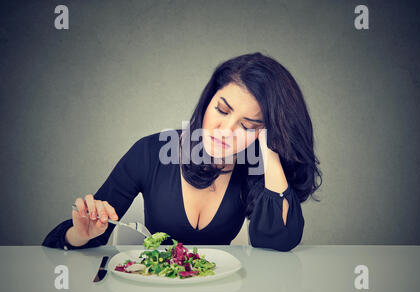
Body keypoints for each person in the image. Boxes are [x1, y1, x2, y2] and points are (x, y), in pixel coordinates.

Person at [42, 52, 322, 252]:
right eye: (222, 110)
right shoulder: (150, 152)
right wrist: (80, 234)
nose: (226, 130)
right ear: (208, 99)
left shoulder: (255, 166)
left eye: (248, 126)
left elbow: (277, 244)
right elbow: (86, 236)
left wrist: (272, 152)